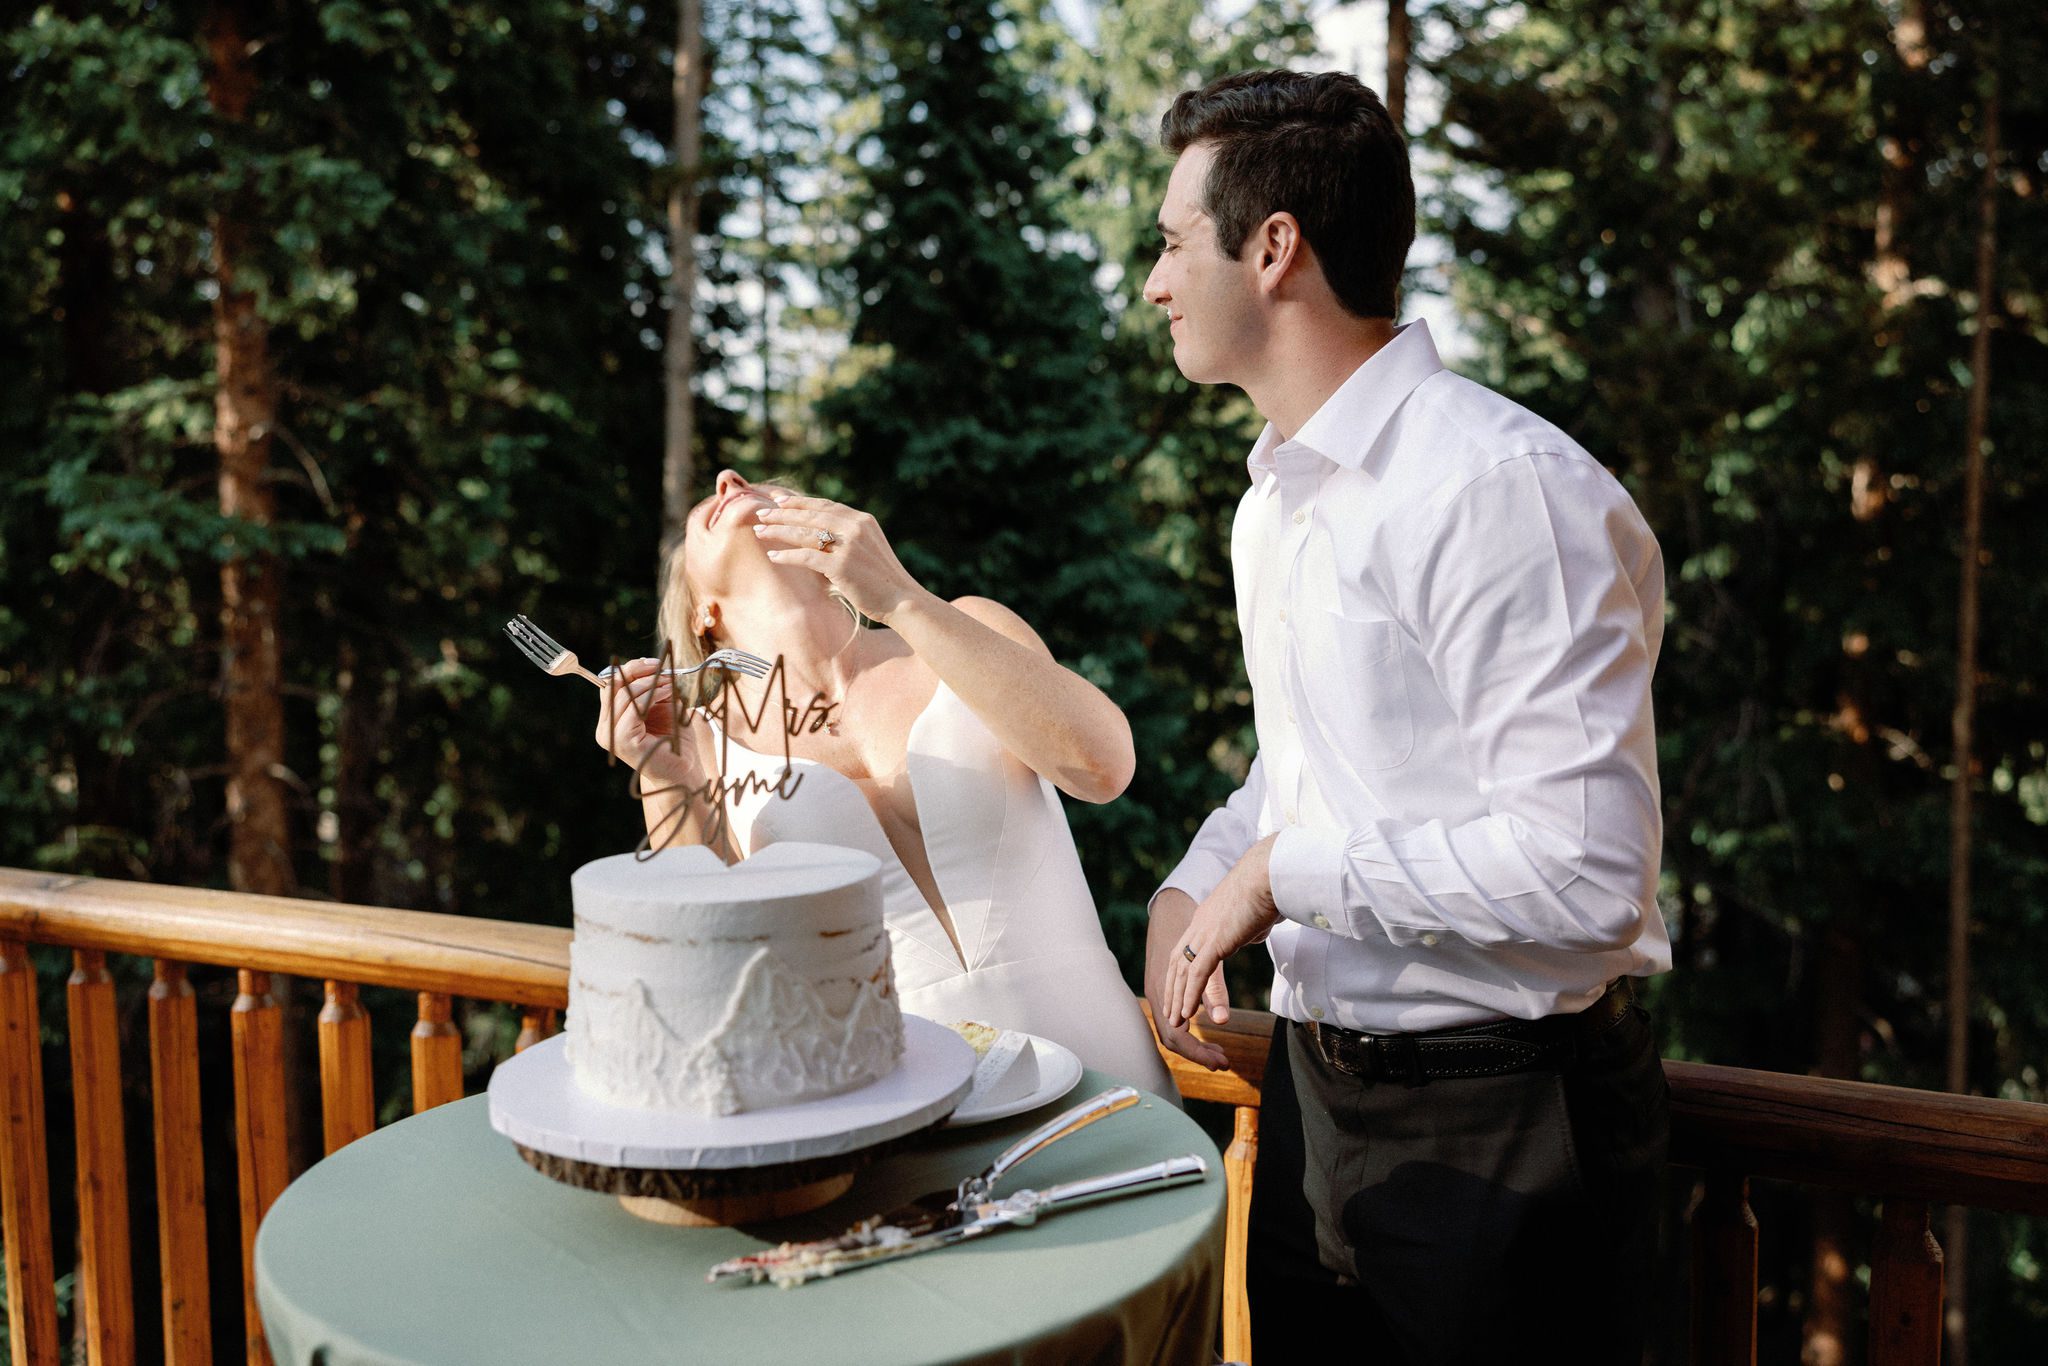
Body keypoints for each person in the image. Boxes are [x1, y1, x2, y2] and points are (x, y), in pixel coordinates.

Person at [1140, 70, 1672, 1362]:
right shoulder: (1274, 504)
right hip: (1319, 1102)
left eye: (1168, 241)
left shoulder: (1503, 489)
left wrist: (1283, 873)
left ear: (1273, 249)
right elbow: (1315, 765)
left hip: (1509, 1119)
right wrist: (1202, 878)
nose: (1154, 282)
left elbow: (1588, 870)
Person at [592, 467, 1175, 1100]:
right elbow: (704, 962)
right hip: (890, 1102)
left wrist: (899, 595)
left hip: (1102, 1070)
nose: (730, 478)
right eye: (708, 503)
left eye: (771, 486)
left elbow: (1104, 766)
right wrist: (664, 776)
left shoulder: (961, 626)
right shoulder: (693, 741)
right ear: (703, 611)